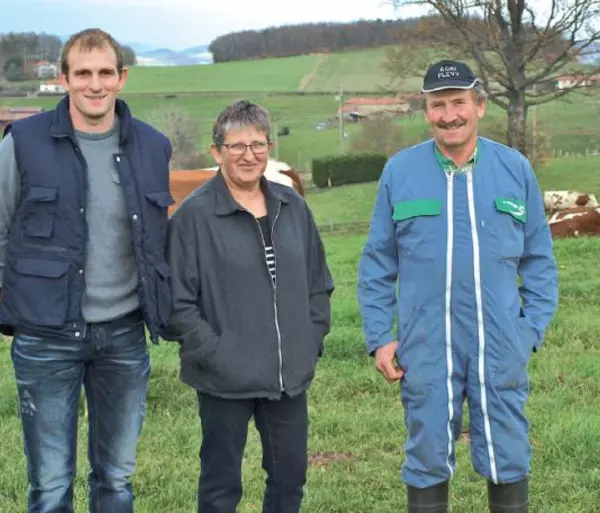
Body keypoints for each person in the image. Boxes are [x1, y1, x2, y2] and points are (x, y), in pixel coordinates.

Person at [357, 60, 559, 513]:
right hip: (426, 341)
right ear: (426, 111)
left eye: (458, 103)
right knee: (426, 453)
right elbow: (377, 263)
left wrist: (528, 330)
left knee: (508, 449)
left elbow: (540, 260)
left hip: (500, 339)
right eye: (438, 105)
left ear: (480, 106)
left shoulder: (514, 168)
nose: (449, 115)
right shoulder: (400, 171)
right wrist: (380, 337)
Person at [0, 28, 174, 512]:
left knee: (116, 481)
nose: (94, 84)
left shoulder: (153, 147)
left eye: (104, 73)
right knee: (50, 485)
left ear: (121, 78)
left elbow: (158, 241)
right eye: (82, 73)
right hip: (44, 335)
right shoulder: (24, 142)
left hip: (123, 335)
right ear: (64, 79)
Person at [166, 99, 334, 513]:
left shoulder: (292, 206)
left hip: (287, 376)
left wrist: (308, 340)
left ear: (269, 148)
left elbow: (319, 283)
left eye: (258, 144)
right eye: (237, 145)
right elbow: (177, 303)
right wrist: (215, 352)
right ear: (217, 151)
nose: (249, 155)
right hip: (224, 378)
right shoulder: (193, 217)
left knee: (289, 478)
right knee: (221, 486)